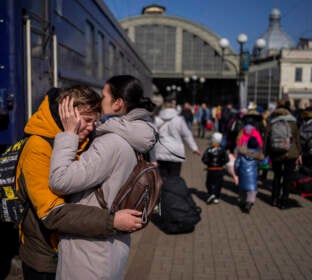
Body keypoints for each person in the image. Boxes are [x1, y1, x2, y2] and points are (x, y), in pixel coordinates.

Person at [16, 86, 143, 280]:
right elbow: (53, 214)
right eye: (87, 120)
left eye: (95, 121)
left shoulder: (83, 139)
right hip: (46, 257)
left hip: (74, 251)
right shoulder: (38, 147)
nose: (92, 127)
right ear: (67, 114)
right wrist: (112, 221)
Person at [48, 75, 158, 280]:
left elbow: (60, 180)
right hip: (111, 247)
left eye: (104, 95)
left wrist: (69, 134)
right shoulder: (133, 140)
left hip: (90, 253)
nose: (100, 100)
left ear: (118, 103)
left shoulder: (110, 143)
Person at [264, 100, 301, 209]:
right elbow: (297, 138)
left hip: (275, 153)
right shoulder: (292, 122)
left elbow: (266, 138)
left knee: (277, 176)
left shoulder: (272, 122)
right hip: (290, 153)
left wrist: (265, 152)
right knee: (287, 177)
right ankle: (284, 201)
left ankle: (274, 199)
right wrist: (299, 153)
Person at [154, 96, 201, 178]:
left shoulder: (157, 119)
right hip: (175, 152)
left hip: (160, 150)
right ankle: (173, 190)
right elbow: (187, 135)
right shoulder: (179, 119)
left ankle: (163, 190)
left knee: (161, 178)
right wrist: (194, 148)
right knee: (174, 178)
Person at [234, 137, 264, 213]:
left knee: (242, 189)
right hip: (253, 175)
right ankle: (249, 202)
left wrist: (237, 171)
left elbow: (237, 164)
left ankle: (243, 202)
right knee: (252, 190)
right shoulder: (258, 155)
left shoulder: (242, 154)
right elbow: (261, 164)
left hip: (242, 173)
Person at [201, 132, 229, 204]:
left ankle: (212, 194)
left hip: (211, 169)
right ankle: (216, 197)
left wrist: (209, 164)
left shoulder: (209, 149)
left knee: (209, 183)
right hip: (219, 169)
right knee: (218, 183)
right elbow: (226, 159)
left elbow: (204, 159)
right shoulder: (222, 150)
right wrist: (221, 164)